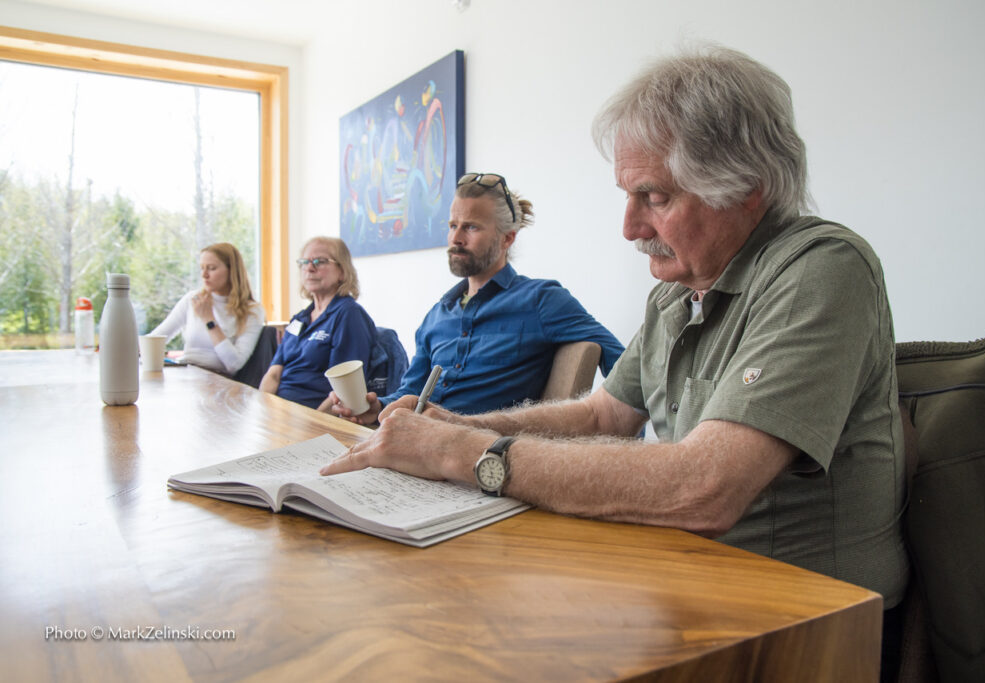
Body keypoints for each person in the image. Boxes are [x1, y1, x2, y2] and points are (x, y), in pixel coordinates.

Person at [321, 46, 909, 675]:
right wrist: (459, 426)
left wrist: (459, 453)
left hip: (809, 624)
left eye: (653, 196)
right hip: (688, 584)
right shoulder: (675, 294)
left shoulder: (821, 269)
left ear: (746, 188)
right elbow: (603, 415)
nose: (629, 227)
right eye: (629, 195)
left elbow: (704, 487)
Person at [327, 172, 624, 423]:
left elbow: (623, 364)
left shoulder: (540, 300)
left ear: (507, 238)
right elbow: (411, 390)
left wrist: (622, 436)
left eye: (470, 227)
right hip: (416, 444)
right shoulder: (437, 314)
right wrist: (376, 407)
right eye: (452, 226)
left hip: (481, 452)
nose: (456, 238)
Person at [260, 236, 377, 410]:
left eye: (320, 261)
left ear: (342, 271)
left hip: (315, 413)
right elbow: (273, 374)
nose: (309, 268)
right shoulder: (299, 318)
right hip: (279, 411)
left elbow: (344, 390)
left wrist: (314, 420)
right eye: (304, 262)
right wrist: (262, 408)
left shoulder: (348, 314)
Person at [149, 242, 265, 376]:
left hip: (218, 380)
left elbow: (234, 364)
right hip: (187, 372)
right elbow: (155, 339)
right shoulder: (193, 299)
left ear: (231, 271)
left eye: (211, 268)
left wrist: (209, 320)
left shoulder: (252, 311)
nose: (204, 275)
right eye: (202, 268)